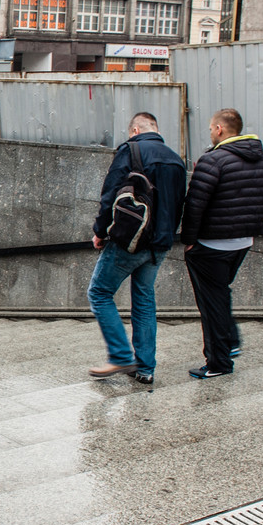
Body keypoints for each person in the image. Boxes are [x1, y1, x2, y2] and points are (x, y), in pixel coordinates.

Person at [180, 108, 263, 379]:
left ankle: (218, 363)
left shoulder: (213, 160)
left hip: (210, 245)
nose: (210, 132)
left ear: (219, 129)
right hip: (242, 243)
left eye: (210, 128)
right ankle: (230, 342)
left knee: (211, 303)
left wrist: (189, 241)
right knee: (219, 294)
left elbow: (195, 205)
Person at [87, 112, 187, 384]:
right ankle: (145, 368)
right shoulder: (176, 160)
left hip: (130, 242)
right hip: (160, 245)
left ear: (134, 130)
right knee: (144, 301)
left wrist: (99, 231)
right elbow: (180, 204)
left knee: (99, 292)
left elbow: (110, 195)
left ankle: (120, 356)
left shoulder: (130, 151)